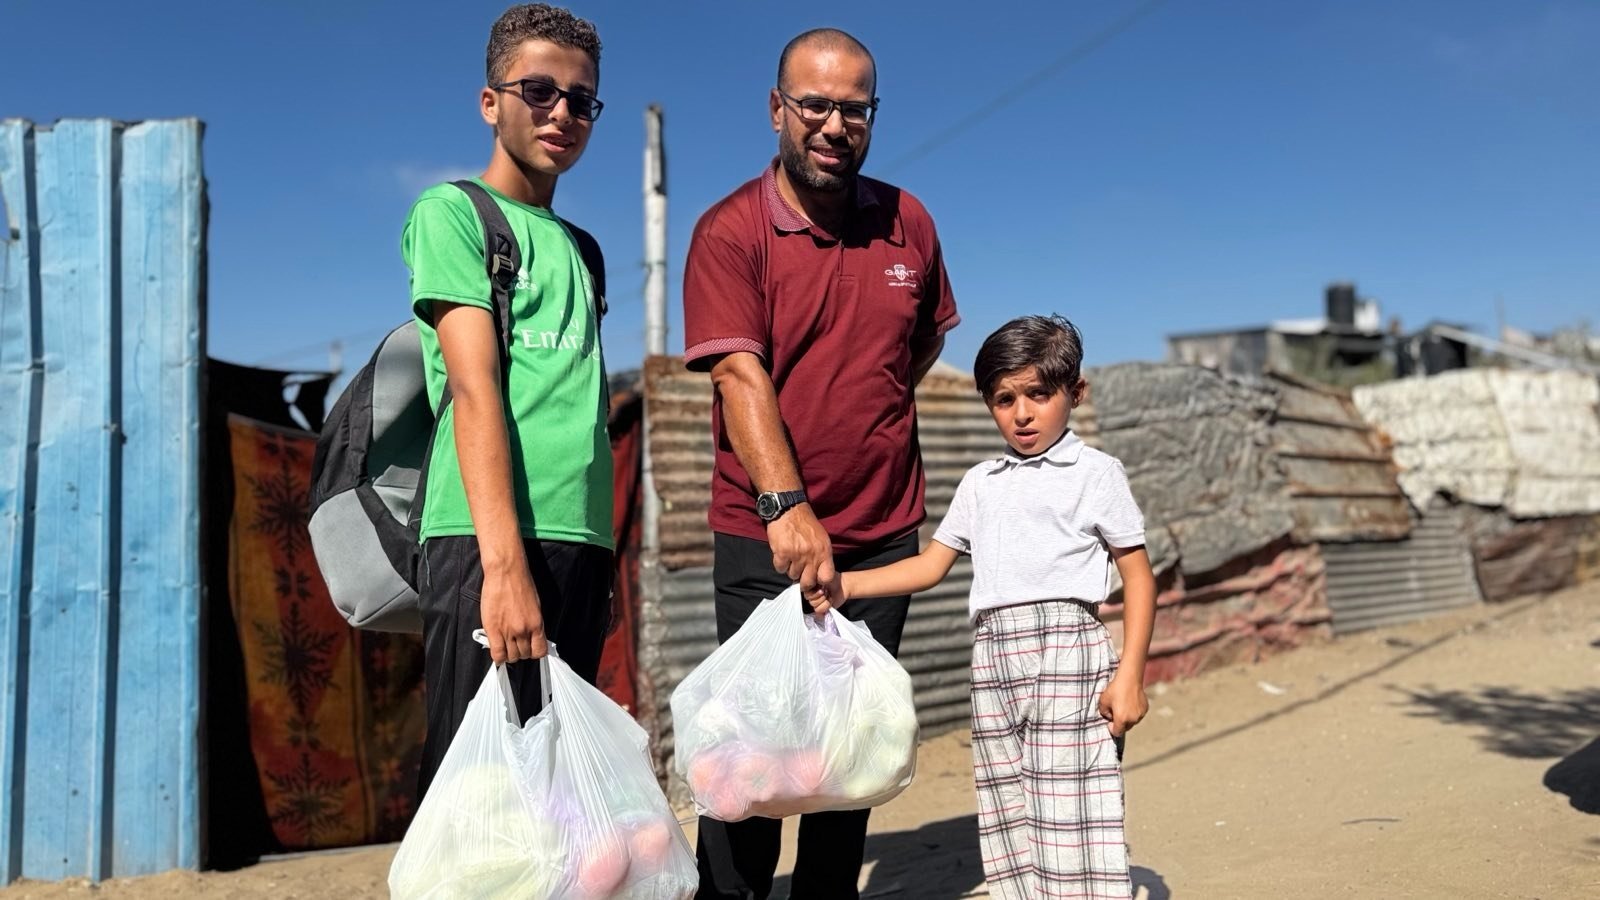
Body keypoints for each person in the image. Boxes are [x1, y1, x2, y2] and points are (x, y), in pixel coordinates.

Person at [680, 26, 961, 900]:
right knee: (753, 763)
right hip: (765, 539)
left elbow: (914, 353)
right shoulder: (731, 232)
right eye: (816, 105)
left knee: (854, 755)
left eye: (854, 109)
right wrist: (785, 505)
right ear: (777, 111)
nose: (834, 125)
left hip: (881, 538)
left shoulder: (908, 220)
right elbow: (738, 371)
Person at [816, 315, 1157, 900]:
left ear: (1075, 393)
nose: (1021, 413)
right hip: (994, 657)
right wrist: (846, 585)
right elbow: (930, 565)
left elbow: (1139, 578)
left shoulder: (1096, 474)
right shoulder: (981, 482)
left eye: (1038, 394)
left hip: (1068, 655)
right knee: (1007, 809)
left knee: (1071, 807)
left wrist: (1129, 676)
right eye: (1003, 399)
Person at [402, 3, 612, 798]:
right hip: (490, 544)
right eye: (538, 90)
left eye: (582, 100)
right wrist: (504, 568)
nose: (562, 113)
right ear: (491, 101)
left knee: (554, 801)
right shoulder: (453, 213)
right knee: (480, 800)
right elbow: (473, 389)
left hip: (577, 542)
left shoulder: (582, 249)